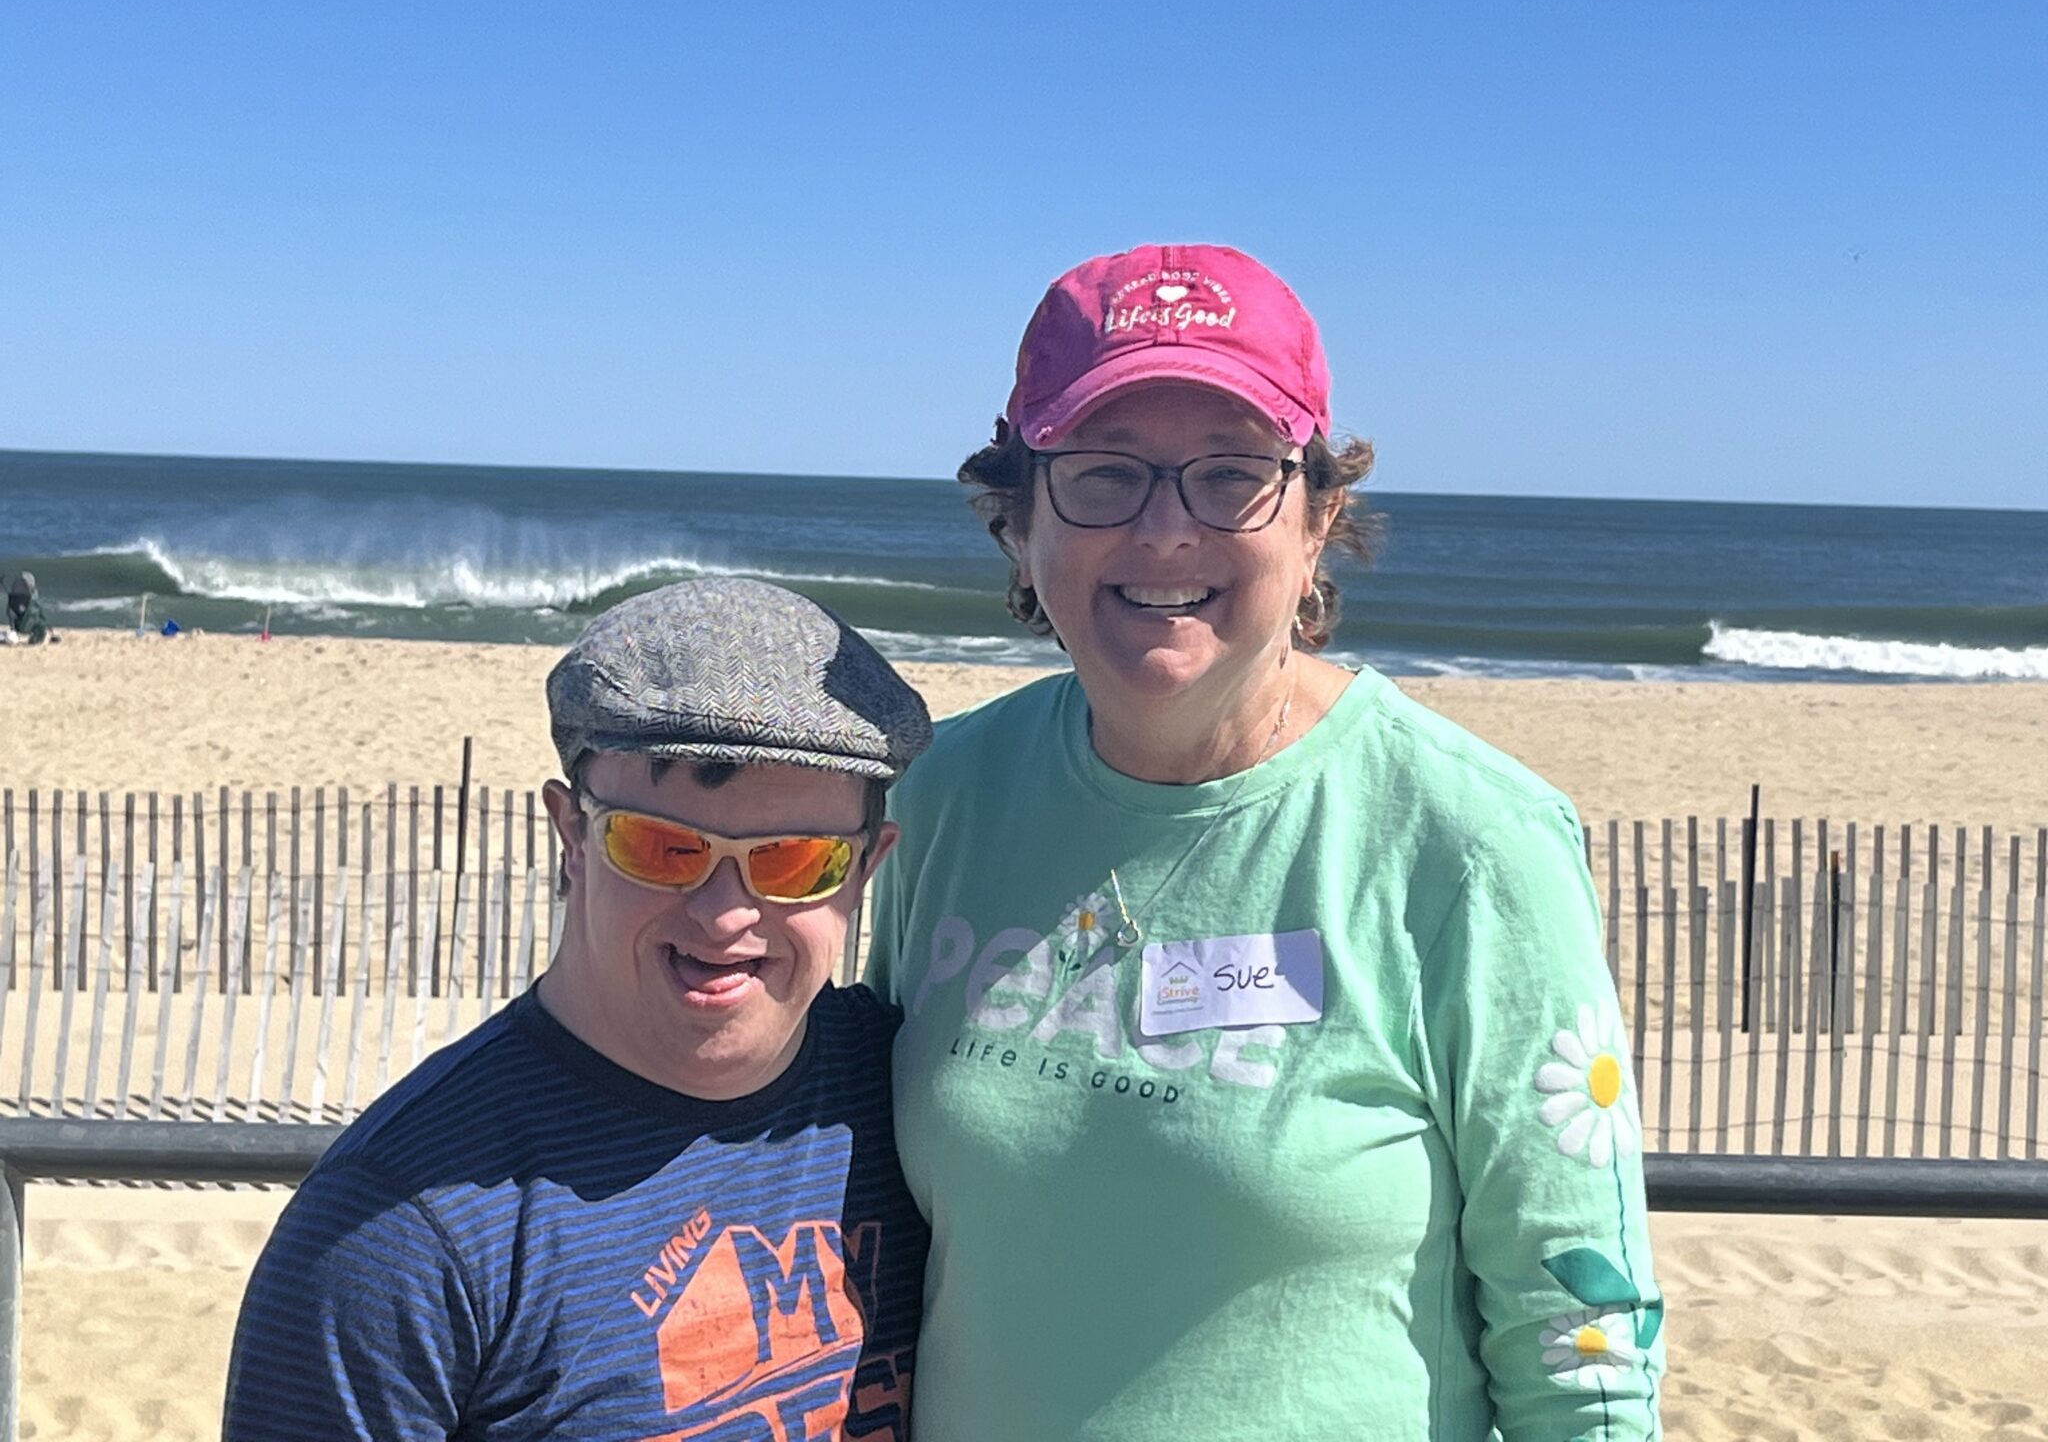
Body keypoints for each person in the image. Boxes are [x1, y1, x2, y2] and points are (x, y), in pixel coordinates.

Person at [866, 244, 1664, 1439]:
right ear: (1017, 521)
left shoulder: (1470, 842)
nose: (1164, 531)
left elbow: (1581, 1342)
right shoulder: (945, 795)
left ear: (1316, 519)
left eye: (1229, 476)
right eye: (1102, 473)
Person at [226, 577, 933, 1441]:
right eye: (665, 849)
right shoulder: (398, 1233)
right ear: (570, 836)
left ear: (864, 870)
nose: (724, 914)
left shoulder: (923, 1103)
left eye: (793, 862)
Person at [7, 572, 52, 644]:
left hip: (22, 625)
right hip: (25, 625)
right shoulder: (28, 600)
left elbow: (10, 614)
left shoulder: (16, 600)